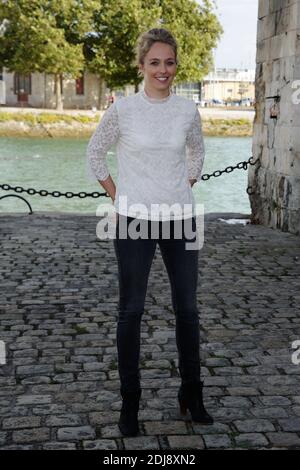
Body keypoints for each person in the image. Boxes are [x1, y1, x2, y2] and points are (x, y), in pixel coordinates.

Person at [86, 28, 213, 437]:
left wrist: (184, 185)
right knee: (131, 311)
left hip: (181, 218)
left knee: (188, 311)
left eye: (170, 62)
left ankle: (192, 395)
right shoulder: (123, 110)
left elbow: (197, 150)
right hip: (134, 220)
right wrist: (121, 195)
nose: (163, 70)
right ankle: (130, 403)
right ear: (141, 66)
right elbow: (94, 154)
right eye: (155, 62)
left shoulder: (187, 111)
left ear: (177, 66)